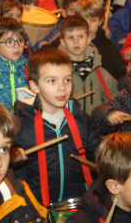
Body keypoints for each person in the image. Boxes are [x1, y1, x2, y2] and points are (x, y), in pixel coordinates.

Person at [12, 47, 102, 209]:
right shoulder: (20, 125)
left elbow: (100, 157)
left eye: (67, 80)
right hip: (36, 210)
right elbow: (6, 164)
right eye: (52, 81)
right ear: (35, 86)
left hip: (80, 206)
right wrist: (13, 155)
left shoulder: (81, 120)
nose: (62, 87)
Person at [57, 16, 117, 113]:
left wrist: (108, 115)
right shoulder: (57, 71)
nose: (76, 41)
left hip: (94, 125)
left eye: (80, 36)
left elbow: (114, 97)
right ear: (63, 42)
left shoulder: (99, 71)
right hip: (68, 125)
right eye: (70, 37)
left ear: (89, 39)